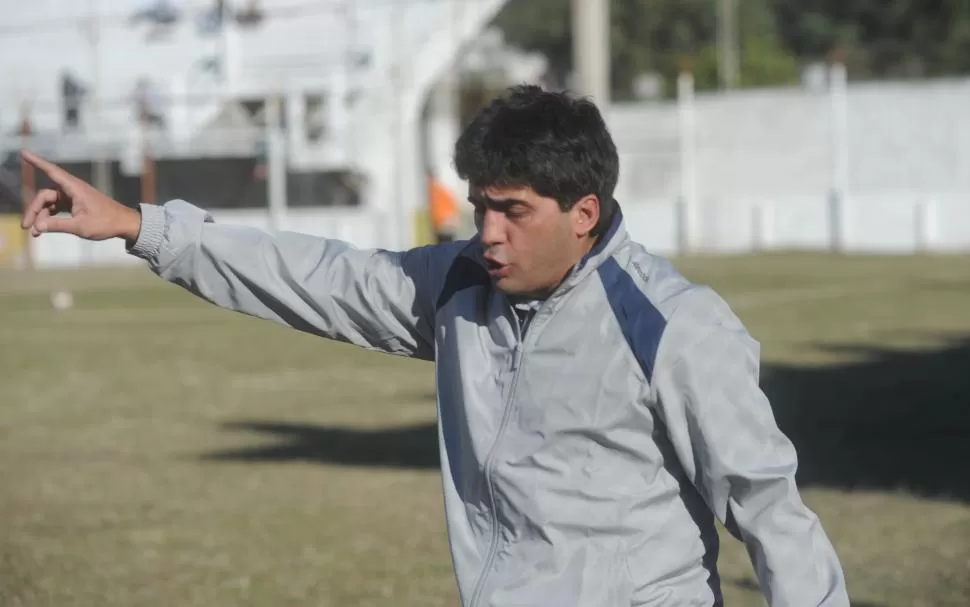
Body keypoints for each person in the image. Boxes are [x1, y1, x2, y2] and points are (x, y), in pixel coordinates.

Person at [19, 85, 849, 607]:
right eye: (479, 205)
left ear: (584, 212)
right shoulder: (460, 286)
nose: (485, 234)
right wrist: (141, 225)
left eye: (512, 211)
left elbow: (770, 512)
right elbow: (319, 276)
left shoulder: (673, 326)